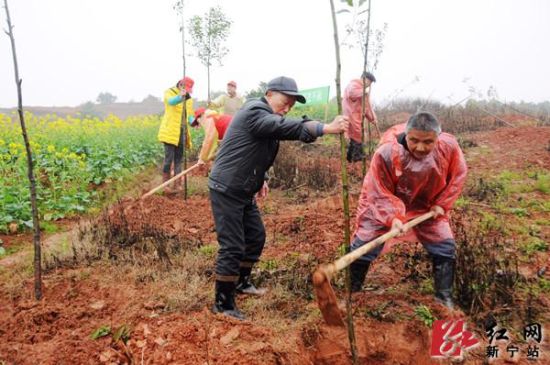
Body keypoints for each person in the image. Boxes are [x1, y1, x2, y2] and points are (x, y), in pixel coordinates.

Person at [208, 76, 349, 320]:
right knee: (232, 245)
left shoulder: (265, 117)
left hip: (243, 187)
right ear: (270, 94)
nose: (287, 109)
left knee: (256, 237)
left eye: (291, 106)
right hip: (227, 187)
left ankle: (241, 283)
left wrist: (261, 179)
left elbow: (255, 149)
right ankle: (223, 303)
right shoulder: (255, 110)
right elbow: (281, 127)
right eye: (285, 102)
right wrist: (324, 128)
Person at [349, 112, 467, 309]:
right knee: (365, 243)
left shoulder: (449, 147)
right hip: (384, 202)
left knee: (445, 246)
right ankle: (352, 290)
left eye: (428, 142)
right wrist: (393, 216)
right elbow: (378, 189)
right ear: (407, 134)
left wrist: (442, 203)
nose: (420, 148)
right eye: (414, 140)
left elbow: (458, 176)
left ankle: (443, 298)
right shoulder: (387, 152)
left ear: (437, 137)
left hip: (428, 205)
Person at [157, 77, 195, 193]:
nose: (187, 91)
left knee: (179, 160)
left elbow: (189, 116)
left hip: (182, 132)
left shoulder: (188, 98)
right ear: (181, 84)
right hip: (170, 131)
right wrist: (180, 97)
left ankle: (177, 185)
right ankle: (166, 185)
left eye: (189, 89)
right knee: (169, 159)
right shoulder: (169, 92)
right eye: (186, 88)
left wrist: (194, 122)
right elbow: (171, 102)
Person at [342, 71, 380, 162]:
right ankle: (356, 159)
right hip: (352, 115)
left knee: (355, 138)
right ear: (364, 78)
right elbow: (352, 93)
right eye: (369, 82)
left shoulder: (362, 90)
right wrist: (363, 92)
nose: (368, 85)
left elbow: (366, 108)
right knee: (357, 136)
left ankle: (350, 159)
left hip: (356, 116)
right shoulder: (354, 85)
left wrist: (372, 118)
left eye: (370, 84)